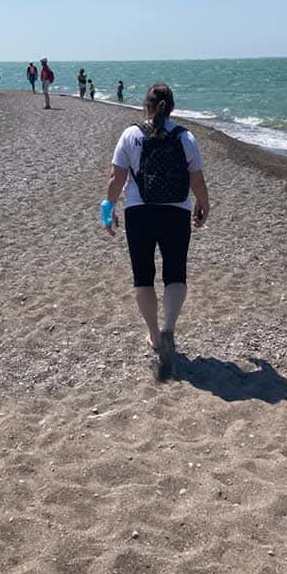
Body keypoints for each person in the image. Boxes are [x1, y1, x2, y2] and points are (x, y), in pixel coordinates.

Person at [102, 83, 210, 380]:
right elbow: (197, 180)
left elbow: (116, 178)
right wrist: (204, 205)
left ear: (145, 106)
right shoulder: (185, 137)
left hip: (139, 212)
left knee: (143, 276)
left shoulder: (131, 135)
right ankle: (169, 329)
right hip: (177, 212)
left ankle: (154, 336)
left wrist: (107, 210)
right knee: (176, 274)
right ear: (171, 107)